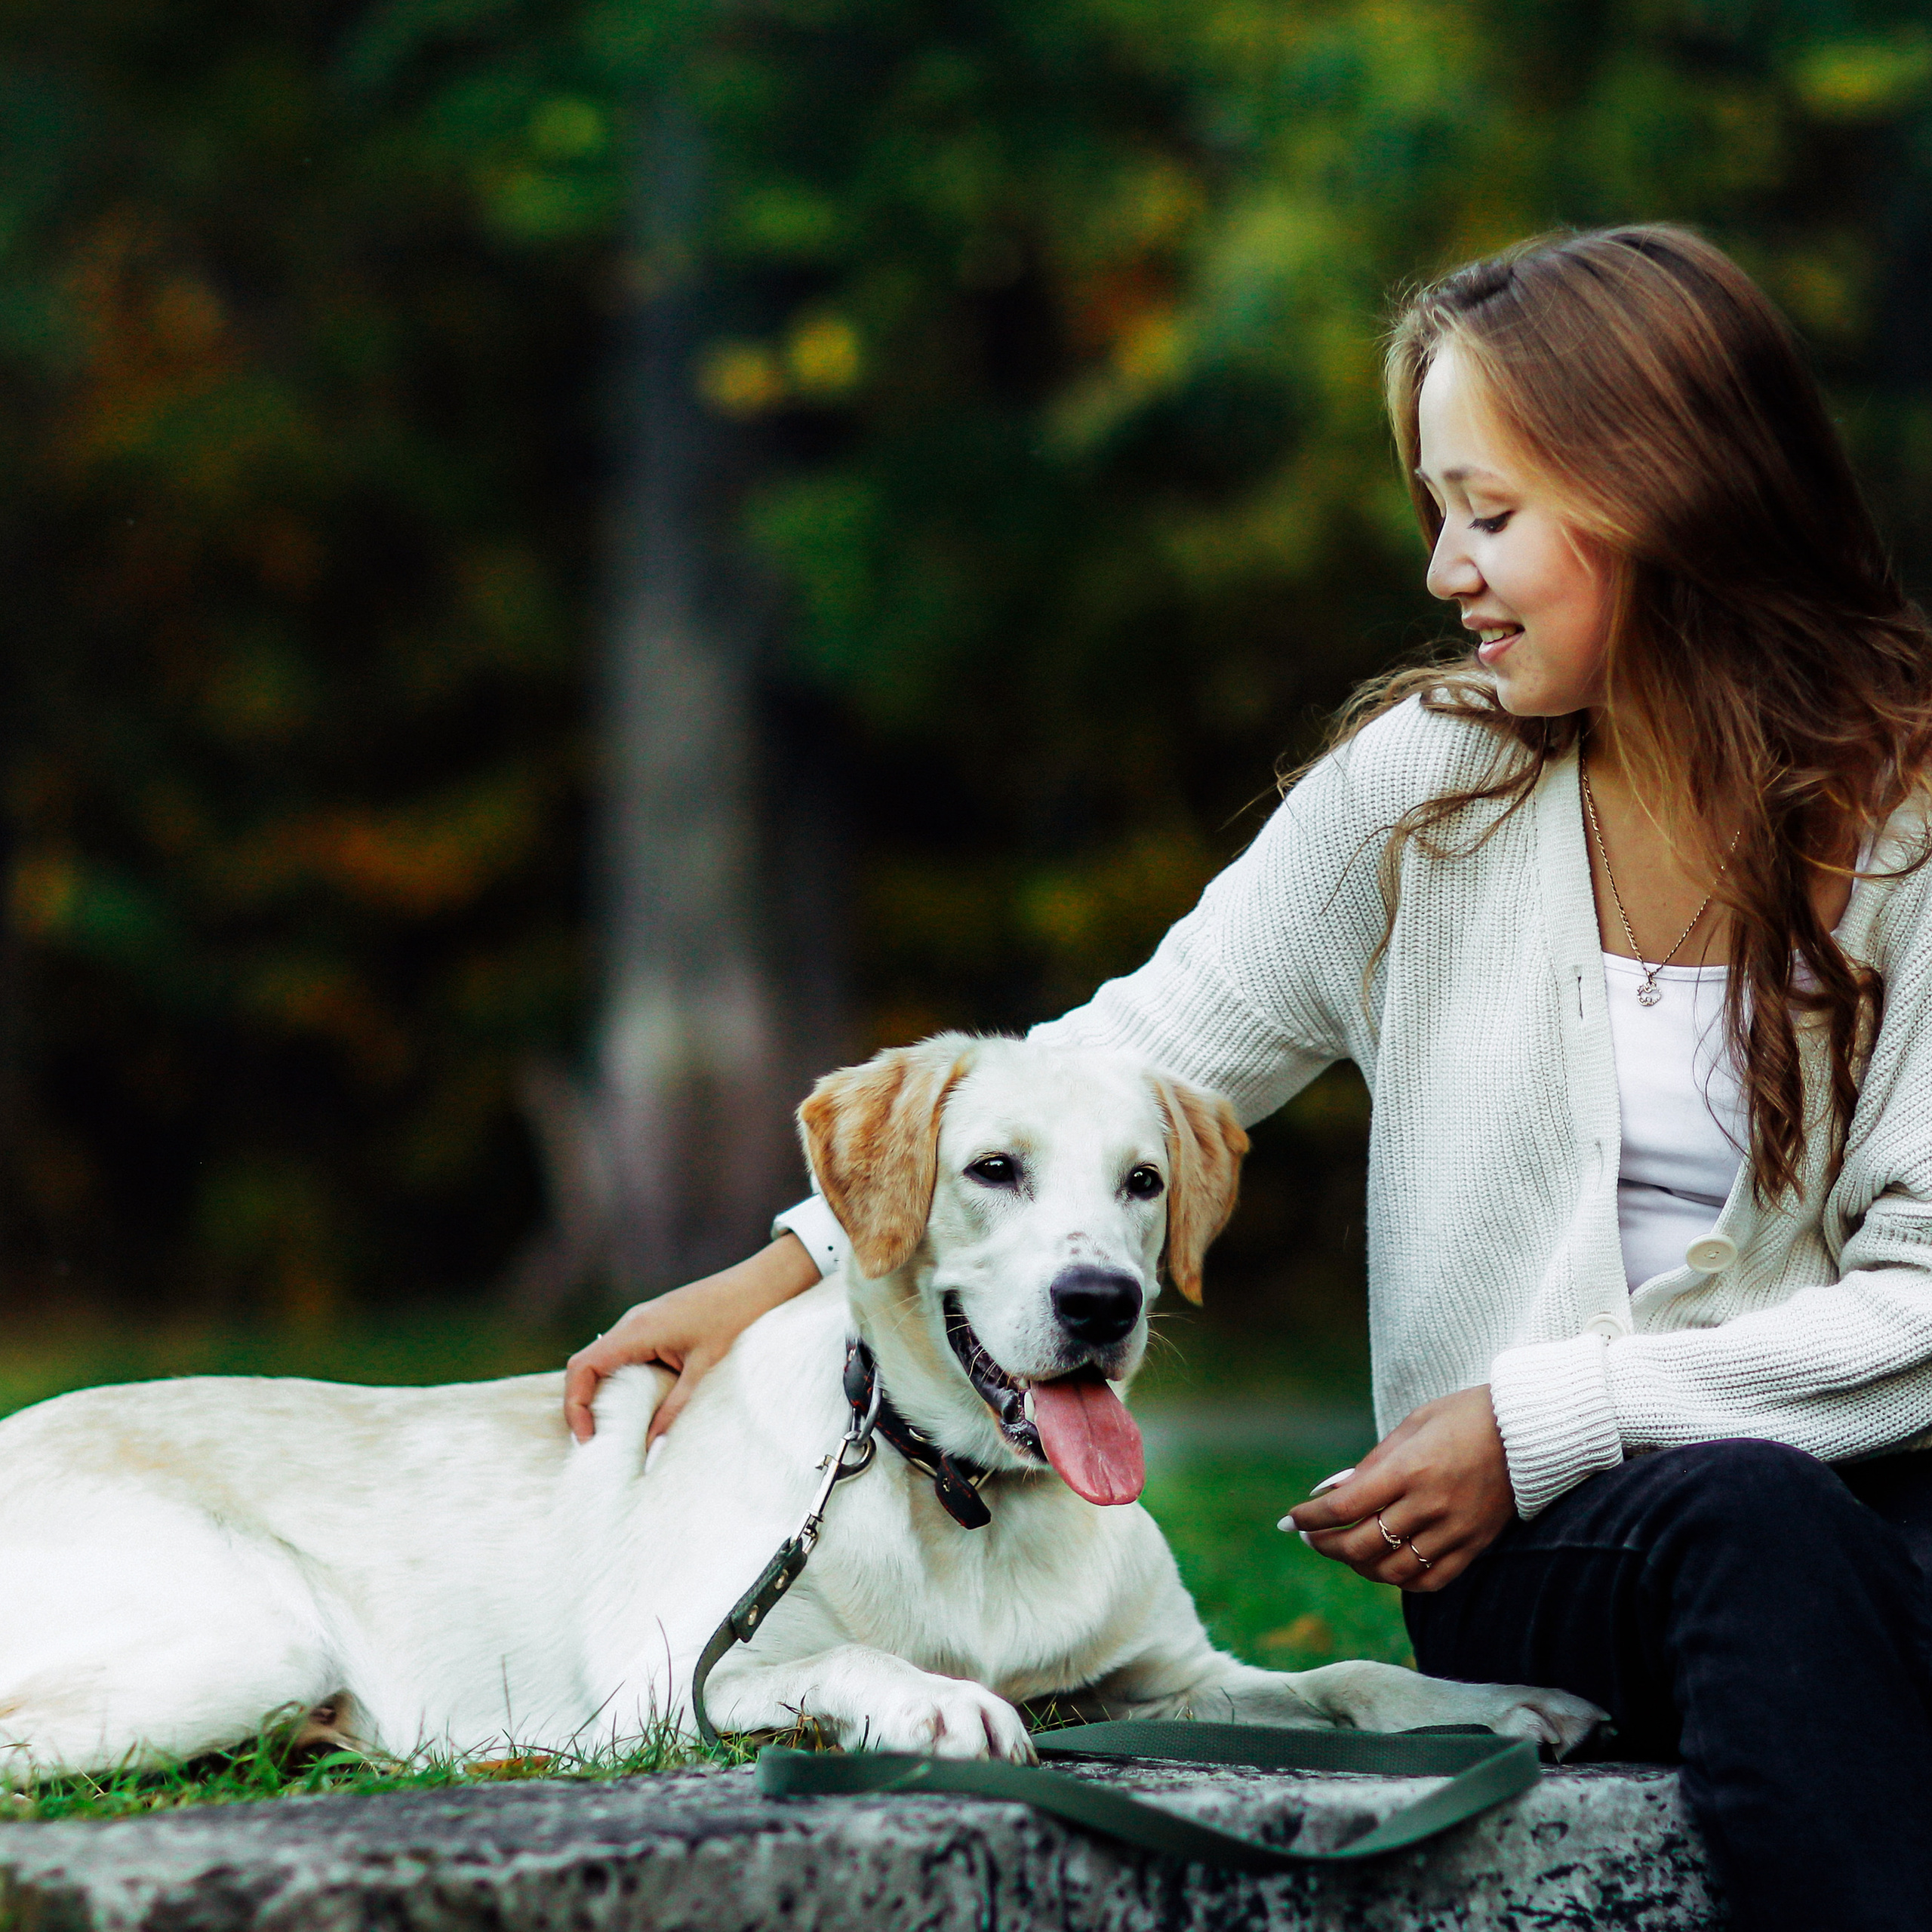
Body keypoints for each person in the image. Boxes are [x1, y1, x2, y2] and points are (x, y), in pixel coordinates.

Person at [562, 226, 1932, 1932]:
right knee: (1755, 1519)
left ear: (1669, 493)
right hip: (1569, 1545)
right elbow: (1116, 1060)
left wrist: (1537, 1408)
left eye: (1487, 513)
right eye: (1432, 510)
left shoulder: (1908, 833)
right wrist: (786, 1260)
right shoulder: (1425, 795)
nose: (1443, 567)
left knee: (1814, 1526)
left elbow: (1923, 1303)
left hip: (1849, 1491)